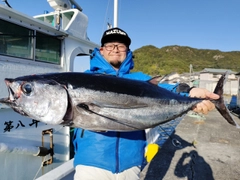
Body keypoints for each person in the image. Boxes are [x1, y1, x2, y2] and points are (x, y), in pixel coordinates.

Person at [72, 27, 218, 180]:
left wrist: (190, 91)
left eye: (121, 46)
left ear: (127, 51)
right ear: (101, 50)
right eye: (110, 45)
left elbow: (166, 90)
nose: (115, 49)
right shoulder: (85, 79)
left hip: (131, 162)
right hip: (91, 161)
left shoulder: (140, 79)